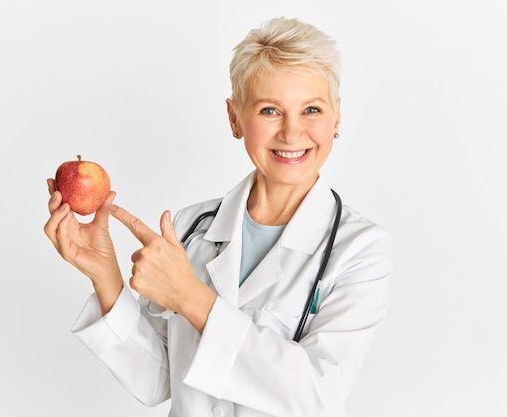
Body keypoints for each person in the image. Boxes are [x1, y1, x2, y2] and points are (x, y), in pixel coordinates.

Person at [44, 16, 392, 417]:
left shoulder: (360, 249)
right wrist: (105, 275)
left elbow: (316, 395)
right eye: (269, 111)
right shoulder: (190, 229)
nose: (292, 133)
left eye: (311, 109)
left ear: (337, 118)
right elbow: (158, 380)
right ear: (234, 117)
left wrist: (190, 296)